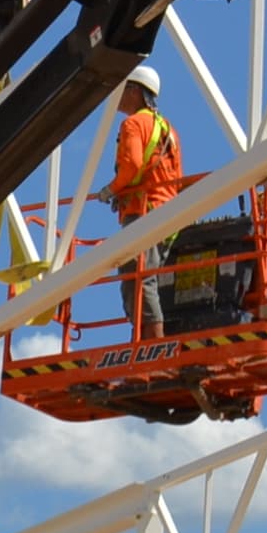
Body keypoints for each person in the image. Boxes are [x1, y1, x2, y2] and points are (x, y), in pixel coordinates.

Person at [107, 63, 185, 338]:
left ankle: (152, 344)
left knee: (138, 279)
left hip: (144, 210)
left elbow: (132, 164)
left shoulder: (133, 124)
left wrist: (111, 189)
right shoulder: (168, 130)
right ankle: (145, 339)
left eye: (122, 89)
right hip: (167, 214)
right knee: (144, 278)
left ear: (135, 91)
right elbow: (177, 177)